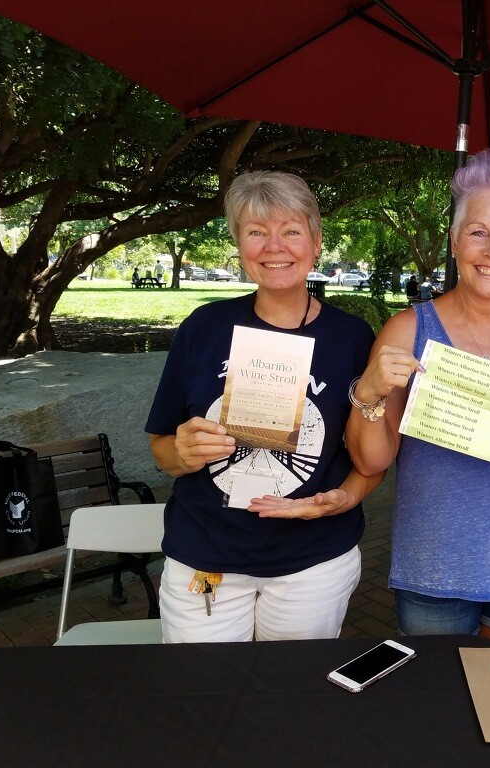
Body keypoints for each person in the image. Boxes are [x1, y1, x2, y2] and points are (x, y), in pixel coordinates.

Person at [346, 149, 490, 645]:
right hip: (435, 565)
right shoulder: (408, 329)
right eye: (478, 232)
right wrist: (367, 393)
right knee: (439, 705)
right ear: (454, 240)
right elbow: (372, 459)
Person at [146, 171, 383, 643]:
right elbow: (162, 449)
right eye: (256, 232)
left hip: (313, 559)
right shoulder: (204, 327)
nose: (275, 246)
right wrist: (183, 451)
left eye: (292, 231)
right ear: (239, 245)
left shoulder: (353, 338)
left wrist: (348, 496)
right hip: (205, 555)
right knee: (206, 700)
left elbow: (373, 455)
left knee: (294, 699)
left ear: (316, 243)